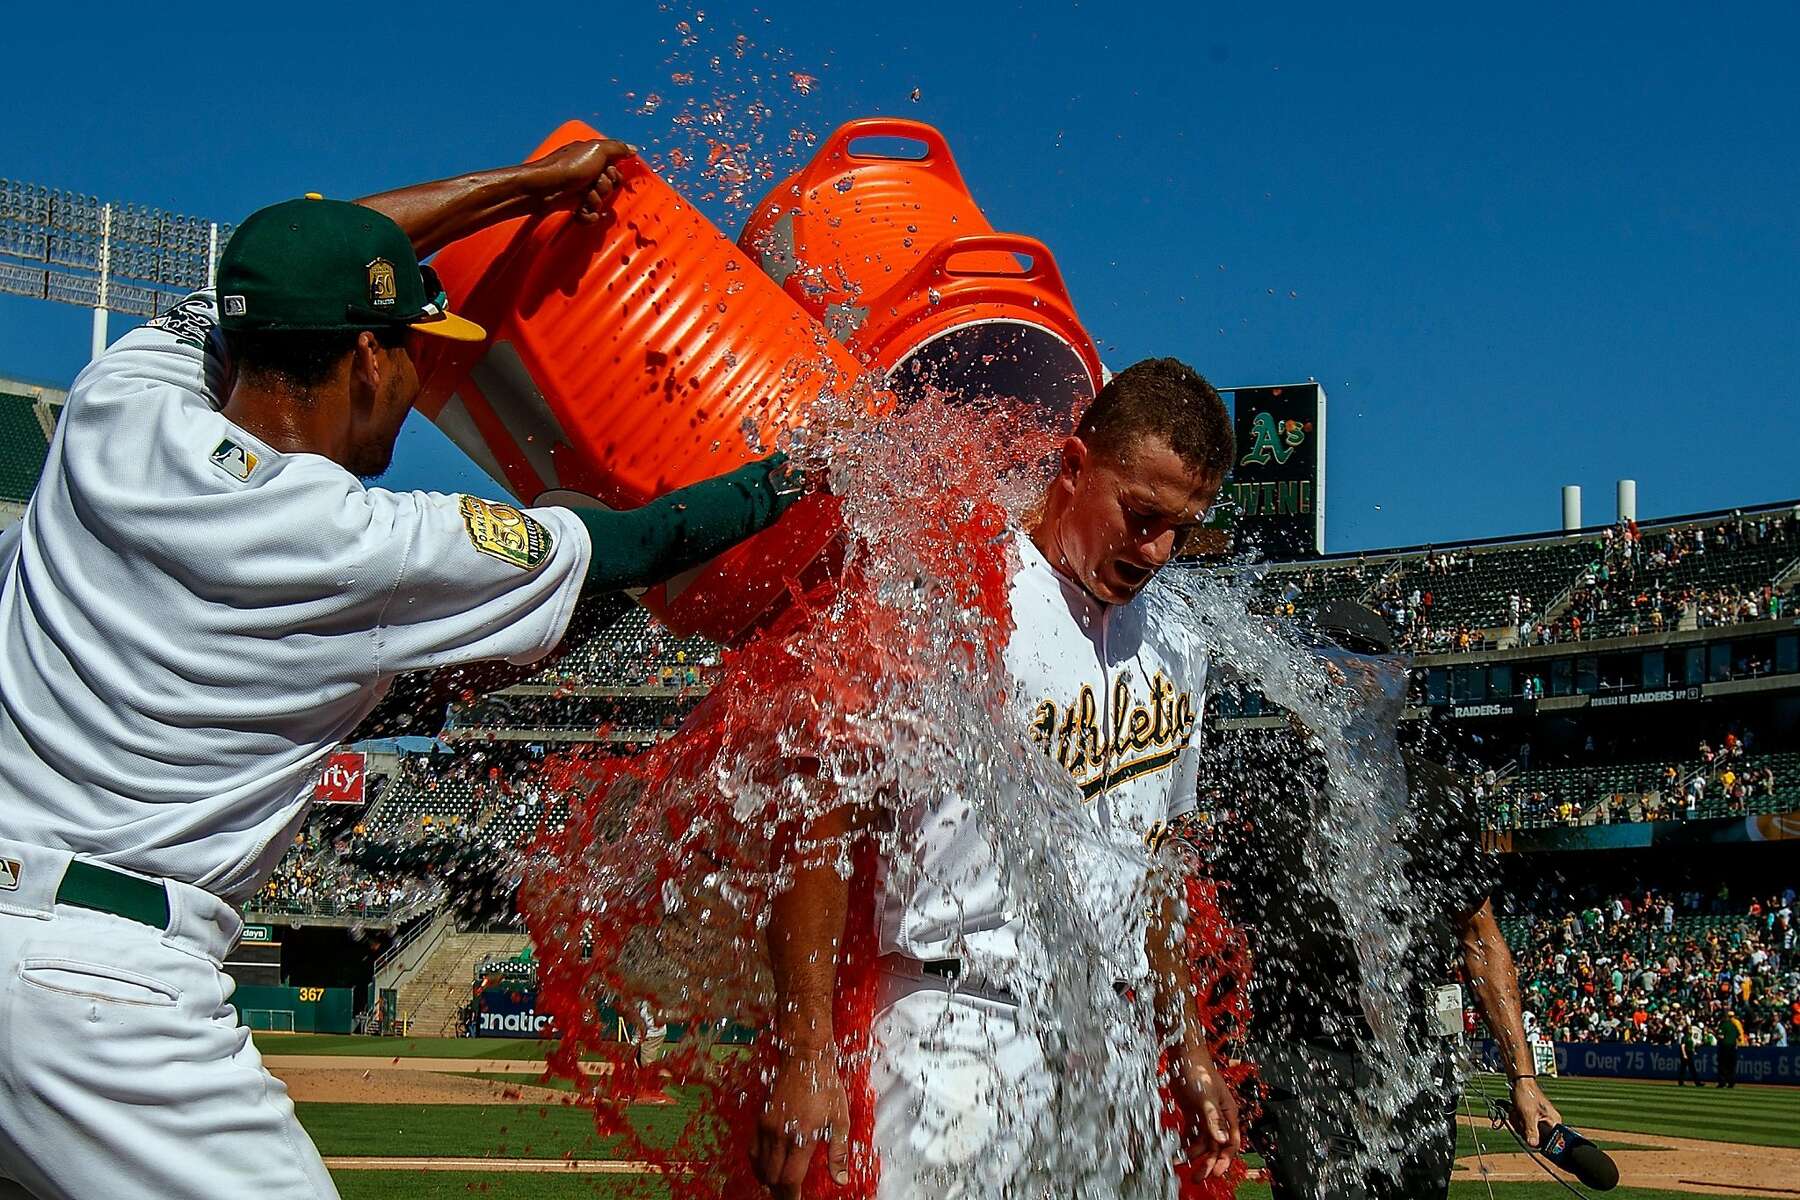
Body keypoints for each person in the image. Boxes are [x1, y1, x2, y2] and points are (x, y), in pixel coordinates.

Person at [0, 143, 808, 1200]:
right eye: (415, 354)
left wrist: (518, 192)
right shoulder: (356, 539)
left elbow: (288, 258)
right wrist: (818, 464)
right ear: (370, 363)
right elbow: (637, 543)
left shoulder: (120, 399)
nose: (424, 379)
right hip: (98, 994)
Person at [751, 360, 1242, 1198]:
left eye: (1182, 529)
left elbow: (1157, 861)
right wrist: (806, 1048)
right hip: (956, 1021)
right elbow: (818, 817)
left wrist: (1186, 1039)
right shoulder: (955, 594)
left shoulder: (1179, 645)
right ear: (1074, 465)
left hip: (1110, 1029)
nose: (1156, 550)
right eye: (1142, 514)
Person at [1206, 602, 1561, 1200]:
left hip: (1414, 1058)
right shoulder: (1264, 791)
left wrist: (1524, 1077)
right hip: (1302, 1055)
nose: (1350, 684)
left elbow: (1481, 939)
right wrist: (1213, 1059)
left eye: (1365, 669)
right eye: (1331, 670)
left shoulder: (1437, 793)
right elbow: (1211, 933)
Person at [1717, 1009, 1745, 1087]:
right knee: (1731, 1066)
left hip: (1725, 1047)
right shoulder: (1733, 1025)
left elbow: (1721, 1036)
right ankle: (1731, 1082)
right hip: (1733, 1047)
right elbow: (1739, 1036)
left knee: (1722, 1066)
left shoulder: (1723, 1025)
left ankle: (1722, 1083)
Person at [1676, 1017, 1703, 1086]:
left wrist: (1694, 1050)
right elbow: (1682, 1046)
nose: (1691, 1030)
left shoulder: (1690, 1037)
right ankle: (1696, 1082)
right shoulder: (1685, 1037)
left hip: (1690, 1052)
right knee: (1688, 1068)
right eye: (1690, 1029)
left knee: (1686, 1068)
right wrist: (1684, 1054)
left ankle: (1682, 1082)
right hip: (1686, 1052)